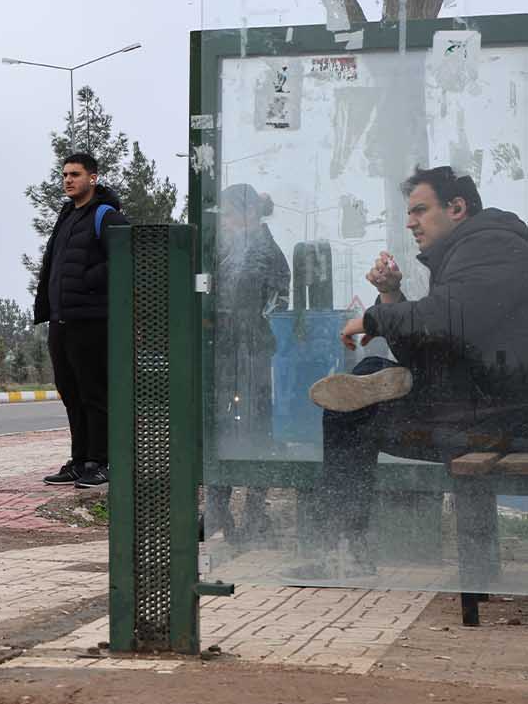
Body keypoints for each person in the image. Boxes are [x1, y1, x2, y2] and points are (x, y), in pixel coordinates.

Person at [293, 166, 528, 581]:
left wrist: (376, 315)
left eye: (420, 210)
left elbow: (446, 317)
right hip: (481, 402)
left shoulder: (493, 244)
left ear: (457, 207)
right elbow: (438, 346)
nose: (409, 222)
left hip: (503, 416)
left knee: (351, 415)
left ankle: (346, 549)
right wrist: (391, 295)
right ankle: (383, 382)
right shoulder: (472, 250)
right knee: (365, 385)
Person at [34, 152, 129, 488]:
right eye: (64, 175)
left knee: (94, 393)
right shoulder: (67, 216)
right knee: (70, 393)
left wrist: (88, 280)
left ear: (93, 178)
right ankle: (79, 460)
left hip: (93, 320)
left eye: (75, 174)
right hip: (62, 321)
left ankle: (103, 462)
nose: (68, 180)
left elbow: (126, 256)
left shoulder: (106, 215)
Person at [207, 184, 290, 541]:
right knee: (220, 423)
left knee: (257, 425)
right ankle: (217, 508)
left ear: (250, 213)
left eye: (229, 212)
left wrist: (256, 324)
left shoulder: (267, 252)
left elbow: (279, 301)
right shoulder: (219, 250)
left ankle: (256, 511)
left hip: (254, 350)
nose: (224, 220)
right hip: (223, 350)